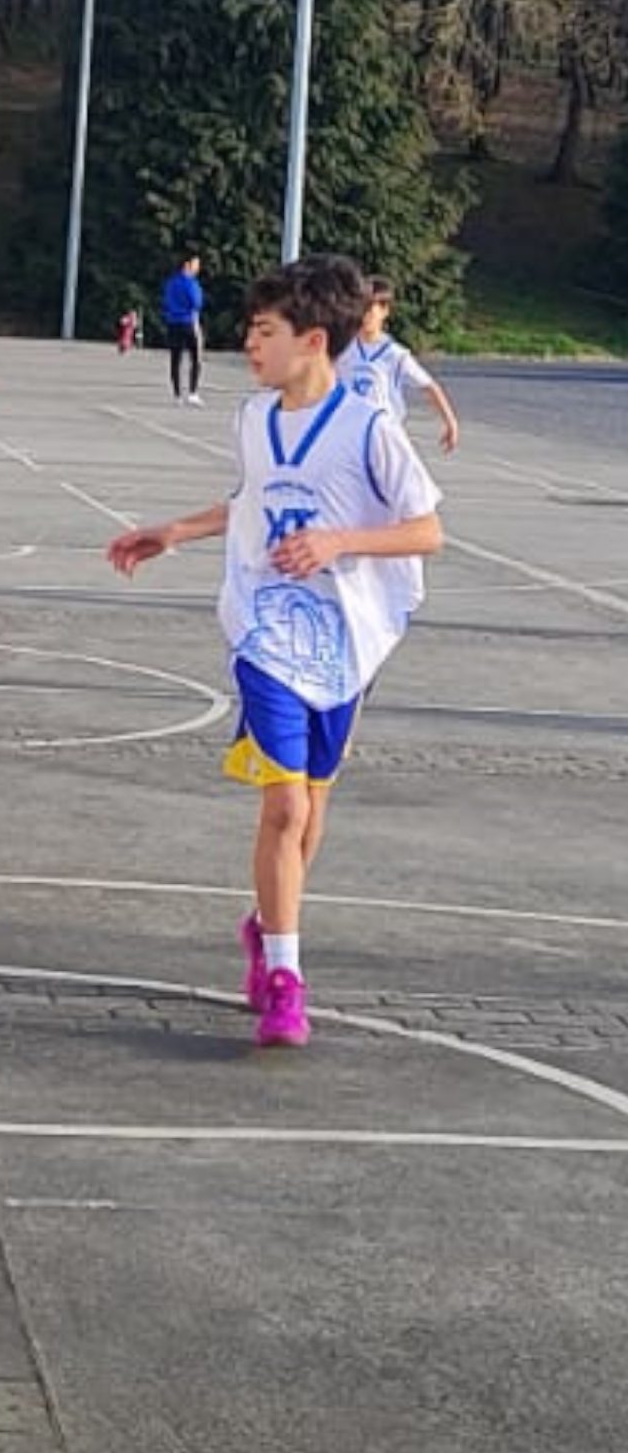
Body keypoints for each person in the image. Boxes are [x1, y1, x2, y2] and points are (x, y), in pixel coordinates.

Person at [107, 253, 443, 1050]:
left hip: (343, 640)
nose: (249, 345)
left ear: (313, 339)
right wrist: (175, 530)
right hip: (265, 634)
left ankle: (267, 926)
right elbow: (250, 503)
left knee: (313, 808)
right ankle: (287, 979)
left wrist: (339, 542)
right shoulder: (253, 420)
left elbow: (428, 529)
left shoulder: (370, 427)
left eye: (264, 331)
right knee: (285, 806)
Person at [346, 275, 460, 452]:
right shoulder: (344, 348)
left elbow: (430, 386)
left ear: (384, 311)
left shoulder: (395, 355)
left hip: (385, 435)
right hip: (351, 433)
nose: (363, 316)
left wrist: (450, 422)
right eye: (360, 309)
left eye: (369, 310)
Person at [161, 251, 205, 404]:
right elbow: (197, 303)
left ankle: (177, 394)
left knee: (175, 358)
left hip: (173, 323)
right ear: (187, 265)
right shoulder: (191, 283)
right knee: (196, 357)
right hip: (189, 322)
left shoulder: (171, 283)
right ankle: (193, 392)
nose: (197, 268)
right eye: (195, 264)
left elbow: (166, 301)